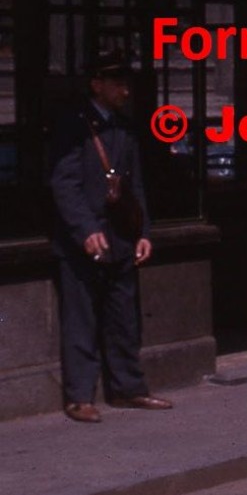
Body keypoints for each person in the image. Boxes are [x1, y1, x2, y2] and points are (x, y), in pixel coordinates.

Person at [48, 51, 172, 422]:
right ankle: (79, 397)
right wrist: (85, 230)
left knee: (124, 319)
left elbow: (135, 189)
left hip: (120, 238)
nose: (125, 90)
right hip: (83, 242)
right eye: (117, 83)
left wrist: (143, 232)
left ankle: (129, 389)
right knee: (81, 319)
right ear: (96, 84)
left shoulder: (124, 128)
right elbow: (64, 183)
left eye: (126, 83)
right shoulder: (73, 126)